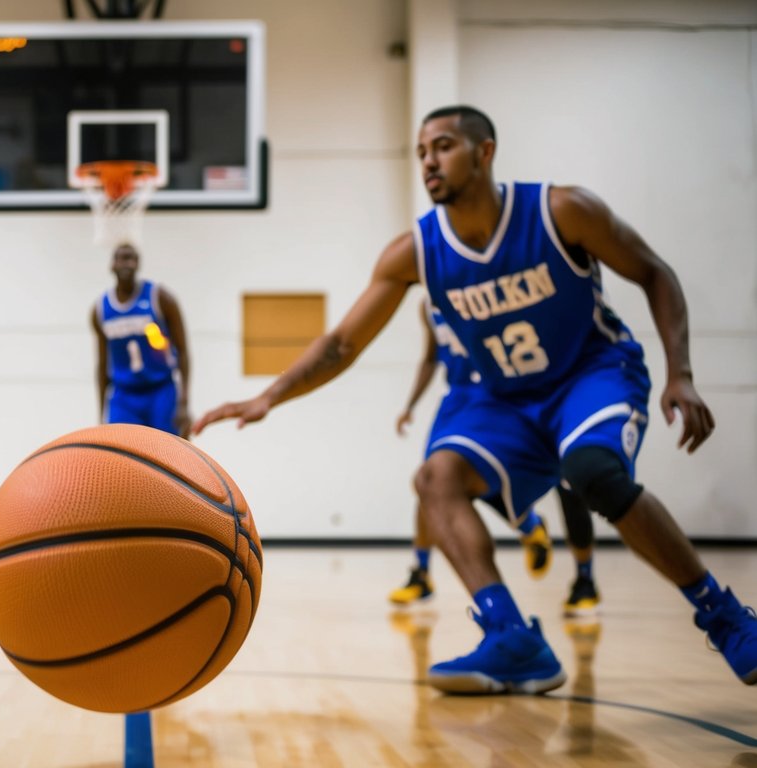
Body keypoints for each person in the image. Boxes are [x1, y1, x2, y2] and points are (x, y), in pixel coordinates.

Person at [195, 105, 756, 692]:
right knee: (436, 478)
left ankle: (725, 617)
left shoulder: (561, 210)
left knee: (592, 471)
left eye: (442, 146)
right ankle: (512, 639)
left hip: (591, 373)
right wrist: (268, 397)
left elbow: (655, 272)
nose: (429, 162)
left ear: (484, 152)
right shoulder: (413, 252)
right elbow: (342, 343)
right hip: (504, 399)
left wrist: (681, 373)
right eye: (420, 153)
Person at [390, 299, 599, 618]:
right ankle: (422, 572)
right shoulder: (427, 307)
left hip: (507, 393)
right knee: (432, 481)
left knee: (567, 481)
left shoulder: (485, 287)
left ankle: (583, 577)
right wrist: (409, 405)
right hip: (460, 400)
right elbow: (430, 358)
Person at [91, 243, 191, 436]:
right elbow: (103, 365)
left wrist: (184, 402)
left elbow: (183, 352)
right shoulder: (100, 309)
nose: (126, 263)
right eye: (121, 258)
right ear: (112, 265)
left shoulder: (160, 298)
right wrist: (100, 414)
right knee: (120, 455)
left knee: (169, 453)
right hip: (124, 394)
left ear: (138, 264)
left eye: (131, 258)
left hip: (160, 389)